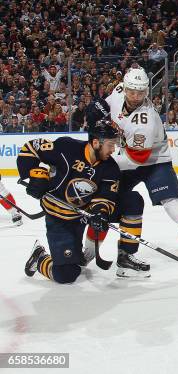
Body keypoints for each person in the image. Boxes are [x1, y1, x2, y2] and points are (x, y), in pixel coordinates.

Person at [104, 66, 178, 273]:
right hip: (126, 155)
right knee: (104, 200)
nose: (135, 96)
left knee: (174, 204)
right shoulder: (117, 92)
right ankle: (92, 253)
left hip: (154, 162)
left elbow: (137, 159)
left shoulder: (146, 119)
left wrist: (107, 161)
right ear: (124, 88)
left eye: (140, 92)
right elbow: (104, 111)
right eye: (132, 91)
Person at [19, 120, 120, 284]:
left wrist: (99, 214)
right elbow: (31, 148)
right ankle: (39, 258)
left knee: (77, 262)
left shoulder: (111, 168)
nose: (113, 149)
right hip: (57, 218)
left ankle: (72, 253)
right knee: (66, 275)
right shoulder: (67, 148)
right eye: (110, 145)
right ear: (95, 142)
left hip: (78, 219)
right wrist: (33, 176)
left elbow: (105, 197)